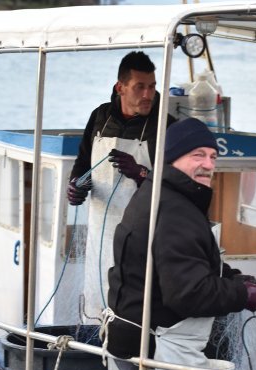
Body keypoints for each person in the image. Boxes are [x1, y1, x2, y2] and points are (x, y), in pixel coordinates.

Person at [104, 118, 256, 370]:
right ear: (173, 159)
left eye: (212, 156)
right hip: (161, 352)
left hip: (131, 340)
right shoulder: (176, 211)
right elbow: (188, 293)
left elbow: (180, 264)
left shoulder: (156, 195)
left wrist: (228, 276)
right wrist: (240, 293)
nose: (209, 164)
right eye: (198, 155)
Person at [66, 51, 177, 321]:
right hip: (99, 235)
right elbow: (82, 164)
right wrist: (75, 187)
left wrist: (140, 173)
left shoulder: (166, 127)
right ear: (121, 87)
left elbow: (177, 190)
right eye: (140, 87)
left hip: (142, 238)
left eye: (152, 86)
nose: (148, 94)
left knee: (131, 312)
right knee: (96, 304)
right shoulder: (100, 117)